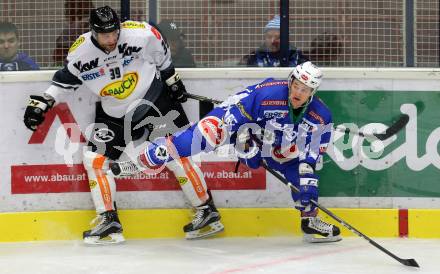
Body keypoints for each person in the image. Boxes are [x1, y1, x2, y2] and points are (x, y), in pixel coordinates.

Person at [23, 6, 223, 244]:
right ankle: (109, 221)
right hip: (113, 112)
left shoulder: (141, 34)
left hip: (154, 99)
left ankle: (206, 211)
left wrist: (171, 78)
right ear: (93, 32)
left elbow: (162, 52)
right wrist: (42, 103)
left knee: (175, 153)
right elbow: (65, 80)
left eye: (114, 32)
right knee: (95, 161)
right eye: (104, 35)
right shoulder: (81, 51)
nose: (111, 39)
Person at [112, 61, 342, 243]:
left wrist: (307, 187)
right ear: (290, 81)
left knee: (304, 177)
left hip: (277, 146)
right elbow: (238, 119)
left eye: (305, 89)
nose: (298, 93)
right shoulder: (268, 95)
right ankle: (140, 161)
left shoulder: (321, 116)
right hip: (237, 123)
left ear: (313, 92)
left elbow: (310, 157)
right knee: (196, 139)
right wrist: (245, 144)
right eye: (296, 86)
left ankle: (309, 220)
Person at [240, 15, 308, 67]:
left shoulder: (297, 56)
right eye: (269, 37)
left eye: (278, 37)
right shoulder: (254, 56)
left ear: (287, 39)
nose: (273, 41)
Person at [53, 0, 95, 66]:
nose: (86, 19)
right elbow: (57, 57)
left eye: (86, 14)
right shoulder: (66, 34)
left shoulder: (98, 31)